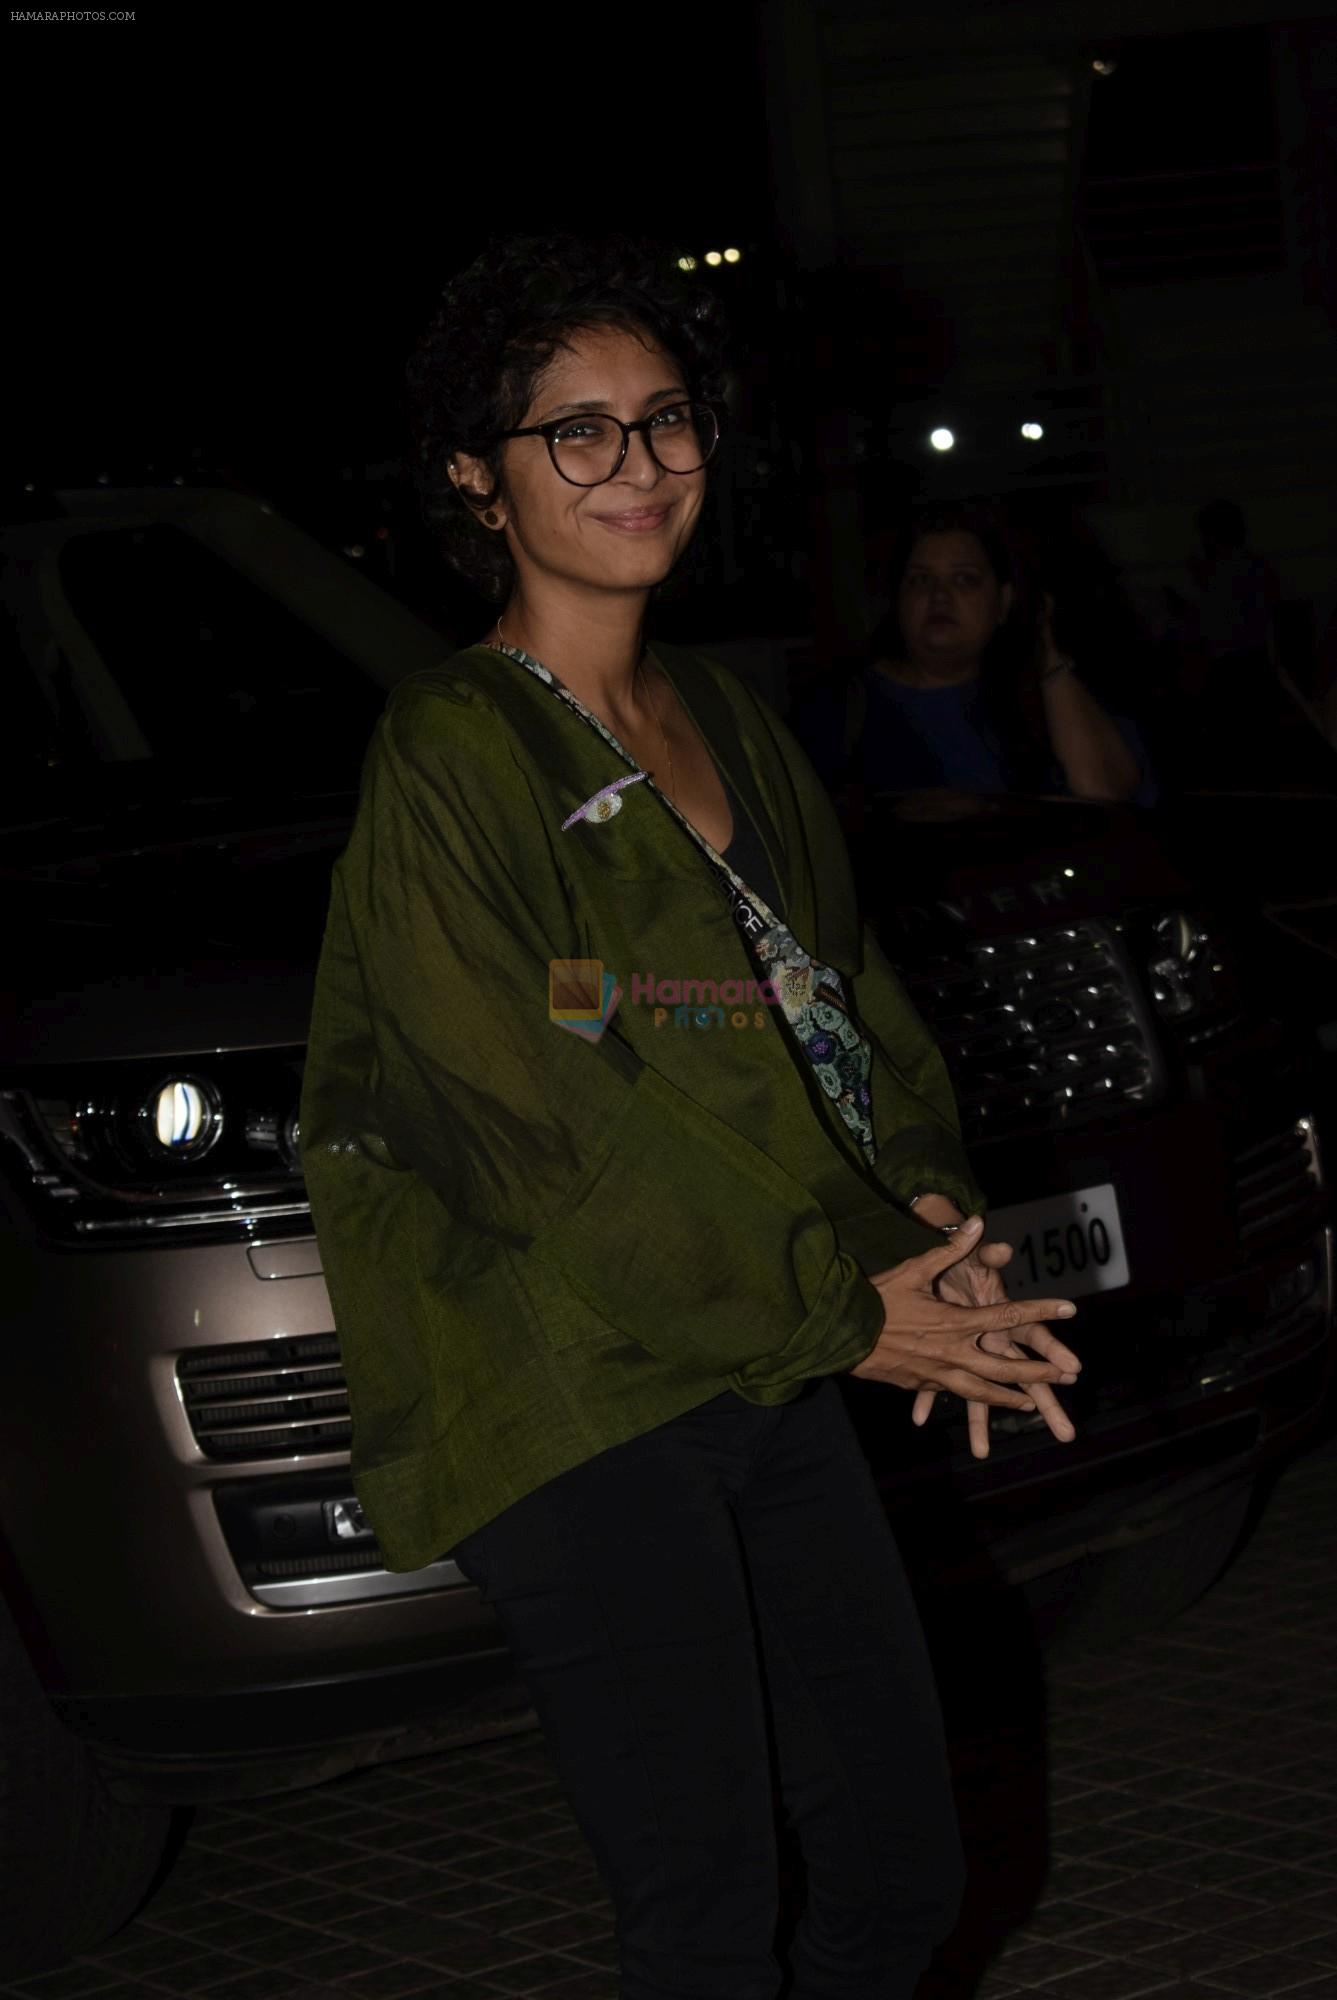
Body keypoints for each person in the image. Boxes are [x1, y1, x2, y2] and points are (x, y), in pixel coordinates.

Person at [299, 234, 1082, 2000]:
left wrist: (928, 1240)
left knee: (900, 1869)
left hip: (761, 1361)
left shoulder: (727, 716)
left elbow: (846, 1012)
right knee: (706, 1911)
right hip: (571, 1379)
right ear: (472, 479)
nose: (633, 466)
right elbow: (543, 1119)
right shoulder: (453, 753)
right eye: (572, 432)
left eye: (661, 423)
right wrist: (842, 1310)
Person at [804, 506, 1156, 811]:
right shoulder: (840, 708)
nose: (939, 596)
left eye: (964, 580)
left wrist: (1047, 655)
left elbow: (1107, 800)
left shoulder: (1042, 700)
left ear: (1003, 601)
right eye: (920, 580)